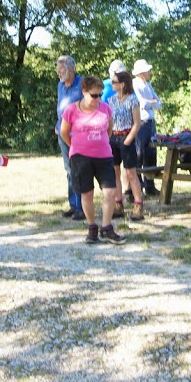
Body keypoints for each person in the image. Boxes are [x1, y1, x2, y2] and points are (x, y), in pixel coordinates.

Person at [60, 76, 125, 245]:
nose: (98, 99)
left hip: (104, 156)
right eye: (94, 95)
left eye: (100, 94)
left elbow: (109, 129)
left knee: (110, 192)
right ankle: (92, 228)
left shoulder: (105, 108)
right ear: (84, 92)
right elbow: (64, 133)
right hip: (81, 158)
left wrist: (100, 143)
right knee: (87, 194)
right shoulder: (71, 110)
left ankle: (107, 227)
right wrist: (76, 146)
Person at [107, 69, 145, 221]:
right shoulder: (111, 100)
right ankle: (118, 204)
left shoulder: (132, 100)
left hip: (126, 136)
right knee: (114, 172)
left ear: (122, 84)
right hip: (113, 138)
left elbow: (137, 123)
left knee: (131, 173)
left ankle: (138, 205)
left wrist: (128, 140)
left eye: (114, 82)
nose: (112, 84)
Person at [56, 55, 85, 220]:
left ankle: (82, 207)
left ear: (71, 70)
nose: (58, 74)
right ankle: (74, 205)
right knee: (69, 170)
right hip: (63, 132)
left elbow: (90, 106)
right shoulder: (60, 85)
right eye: (58, 70)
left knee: (79, 169)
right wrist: (57, 126)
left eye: (61, 70)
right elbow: (60, 107)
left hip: (78, 134)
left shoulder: (82, 84)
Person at [132, 58, 162, 197]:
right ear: (141, 72)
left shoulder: (148, 85)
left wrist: (152, 102)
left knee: (151, 154)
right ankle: (138, 187)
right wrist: (152, 102)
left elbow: (158, 102)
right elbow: (142, 103)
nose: (150, 72)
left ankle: (150, 186)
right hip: (141, 122)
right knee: (139, 154)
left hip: (150, 122)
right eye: (147, 70)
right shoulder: (135, 84)